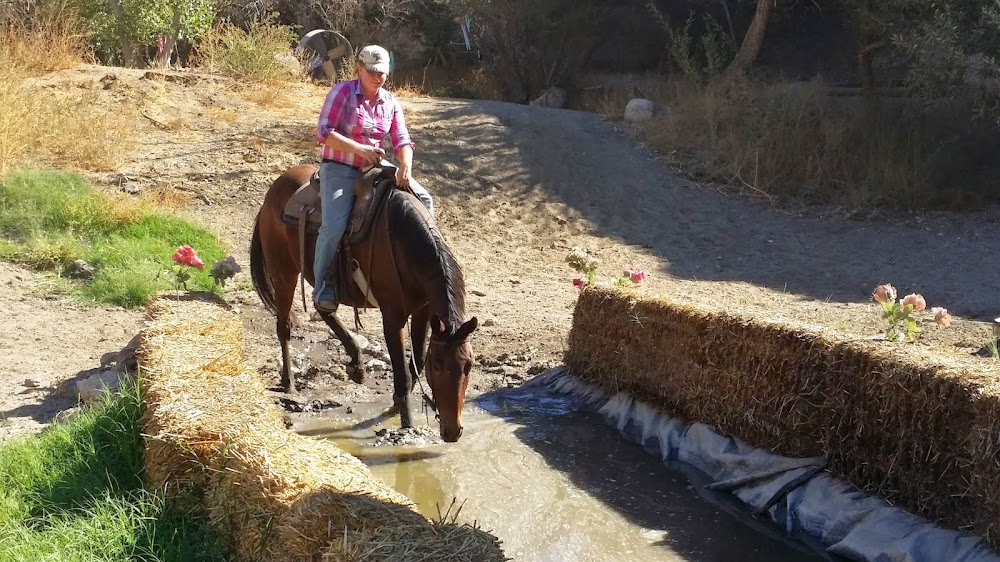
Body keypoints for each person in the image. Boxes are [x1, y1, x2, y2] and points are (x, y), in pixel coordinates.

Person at [312, 44, 434, 312]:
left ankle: (425, 266)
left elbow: (401, 138)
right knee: (333, 225)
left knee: (424, 197)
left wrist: (405, 165)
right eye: (372, 71)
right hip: (340, 166)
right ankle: (323, 284)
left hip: (374, 167)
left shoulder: (390, 101)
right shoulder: (342, 92)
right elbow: (324, 132)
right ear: (359, 69)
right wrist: (360, 149)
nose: (378, 77)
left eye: (383, 73)